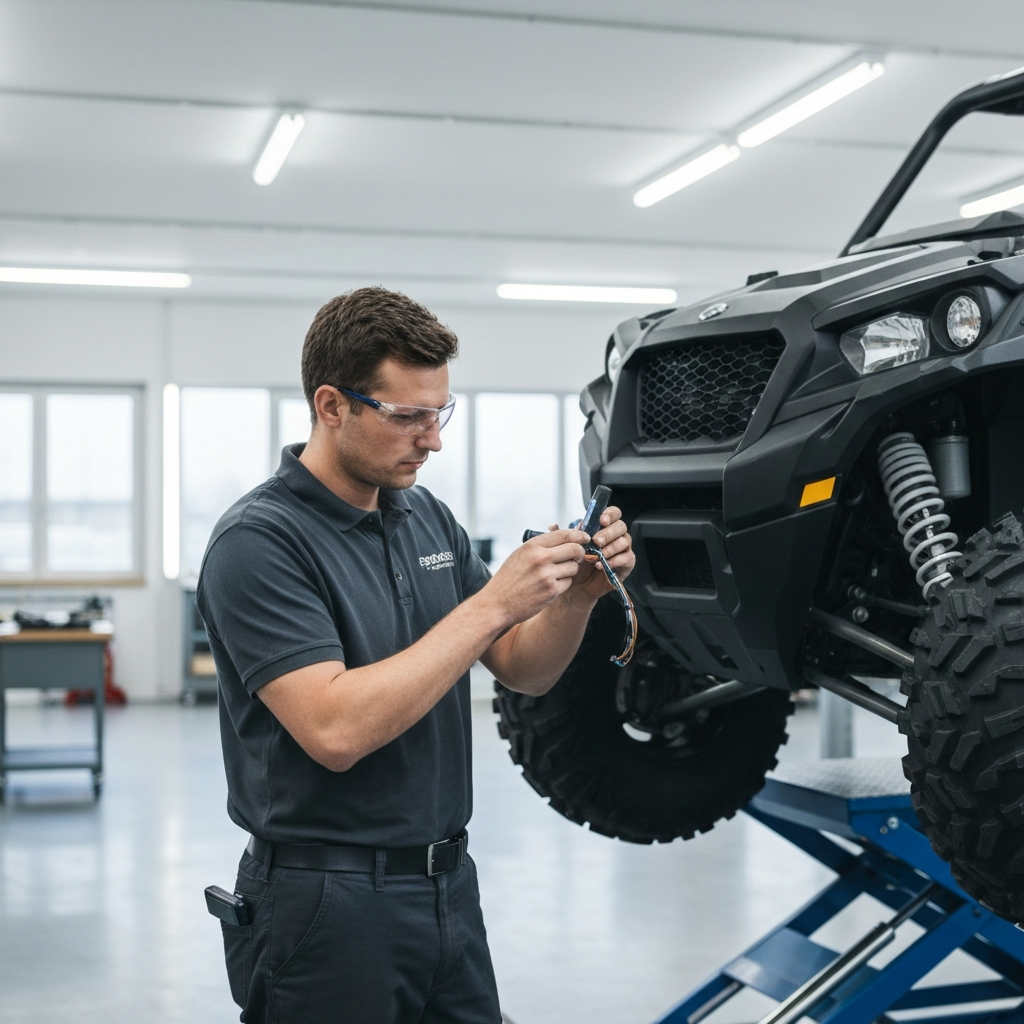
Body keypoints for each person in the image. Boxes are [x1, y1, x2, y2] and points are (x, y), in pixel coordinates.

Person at [197, 287, 635, 1024]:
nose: (432, 440)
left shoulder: (426, 517)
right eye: (407, 417)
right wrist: (493, 601)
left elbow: (524, 670)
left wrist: (576, 598)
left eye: (440, 413)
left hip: (446, 887)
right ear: (331, 406)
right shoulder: (259, 543)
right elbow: (334, 731)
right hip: (326, 904)